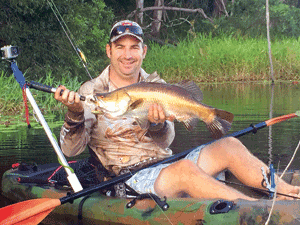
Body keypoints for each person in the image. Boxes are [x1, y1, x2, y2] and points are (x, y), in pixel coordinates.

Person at [55, 20, 300, 200]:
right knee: (185, 170)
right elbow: (69, 150)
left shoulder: (157, 87)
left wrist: (157, 124)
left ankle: (289, 193)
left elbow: (166, 142)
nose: (127, 55)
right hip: (129, 179)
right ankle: (256, 209)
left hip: (166, 164)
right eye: (120, 47)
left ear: (144, 52)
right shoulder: (92, 92)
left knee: (229, 145)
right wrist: (75, 112)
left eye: (134, 47)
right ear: (109, 51)